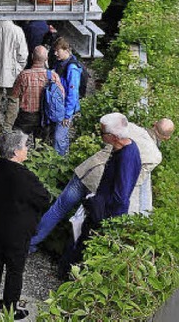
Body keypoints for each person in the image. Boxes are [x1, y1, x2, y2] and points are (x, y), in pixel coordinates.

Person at [29, 116, 174, 253]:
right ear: (166, 138)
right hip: (102, 188)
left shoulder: (131, 127)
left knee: (59, 208)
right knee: (85, 223)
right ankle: (68, 258)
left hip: (88, 171)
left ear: (154, 123)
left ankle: (30, 243)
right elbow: (136, 180)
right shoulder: (155, 156)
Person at [0, 131, 51, 319]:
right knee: (15, 270)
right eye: (25, 146)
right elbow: (44, 199)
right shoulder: (25, 176)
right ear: (16, 151)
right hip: (17, 232)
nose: (27, 150)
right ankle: (11, 308)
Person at [61, 113, 141, 276]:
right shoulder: (126, 149)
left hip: (105, 216)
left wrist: (97, 205)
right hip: (102, 209)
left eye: (102, 133)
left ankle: (73, 278)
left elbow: (121, 196)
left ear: (113, 137)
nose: (100, 136)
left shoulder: (126, 158)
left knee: (86, 248)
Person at [12, 46, 64, 139]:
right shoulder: (53, 76)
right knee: (42, 146)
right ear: (46, 59)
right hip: (45, 116)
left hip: (26, 116)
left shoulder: (24, 75)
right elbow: (62, 96)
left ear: (32, 57)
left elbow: (14, 94)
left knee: (16, 141)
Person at [51, 38, 81, 155]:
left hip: (64, 109)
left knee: (59, 137)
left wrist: (67, 115)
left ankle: (59, 161)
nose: (55, 53)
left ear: (66, 50)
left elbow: (73, 94)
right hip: (60, 106)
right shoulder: (61, 63)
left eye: (57, 50)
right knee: (60, 136)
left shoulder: (72, 69)